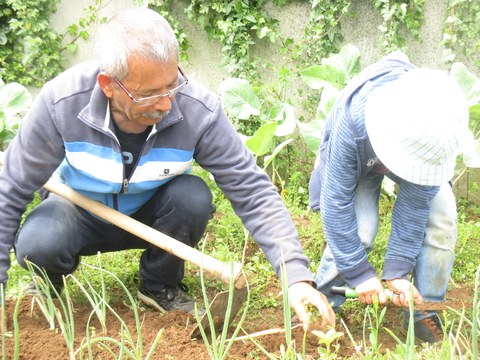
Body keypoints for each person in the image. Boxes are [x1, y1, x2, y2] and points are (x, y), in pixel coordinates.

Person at [0, 7, 334, 330]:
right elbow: (10, 189)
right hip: (79, 212)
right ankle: (48, 283)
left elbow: (251, 189)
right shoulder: (62, 102)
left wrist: (295, 274)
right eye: (148, 94)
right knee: (38, 244)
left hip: (153, 214)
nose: (165, 103)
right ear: (108, 84)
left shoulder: (198, 109)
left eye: (171, 85)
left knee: (192, 196)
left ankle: (160, 285)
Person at [308, 51, 469, 343]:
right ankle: (322, 304)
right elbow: (336, 203)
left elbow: (416, 202)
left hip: (412, 148)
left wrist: (397, 270)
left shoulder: (437, 130)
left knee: (443, 215)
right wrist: (359, 273)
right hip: (359, 158)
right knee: (361, 230)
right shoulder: (353, 122)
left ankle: (424, 308)